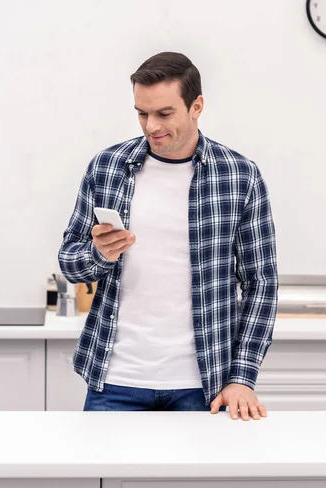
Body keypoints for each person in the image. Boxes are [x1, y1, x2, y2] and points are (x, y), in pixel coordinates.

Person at [58, 51, 278, 421]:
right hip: (115, 380)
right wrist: (99, 254)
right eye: (142, 113)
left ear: (197, 107)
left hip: (204, 386)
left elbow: (261, 283)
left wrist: (243, 376)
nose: (150, 126)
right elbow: (69, 262)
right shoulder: (107, 167)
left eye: (164, 113)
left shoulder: (240, 176)